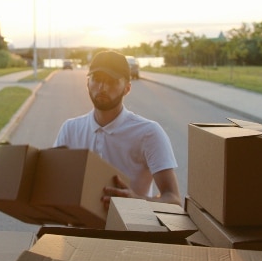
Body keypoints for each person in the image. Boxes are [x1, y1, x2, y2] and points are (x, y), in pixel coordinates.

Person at [54, 51, 182, 207]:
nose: (102, 87)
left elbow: (174, 199)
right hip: (80, 229)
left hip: (128, 229)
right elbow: (54, 183)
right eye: (97, 79)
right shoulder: (70, 129)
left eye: (112, 81)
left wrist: (136, 202)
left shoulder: (148, 133)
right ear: (87, 83)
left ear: (127, 88)